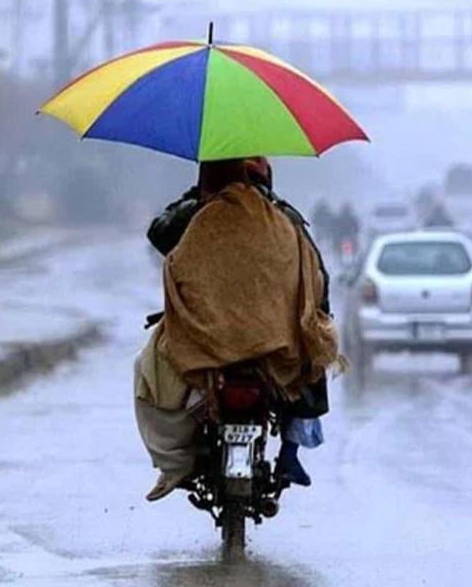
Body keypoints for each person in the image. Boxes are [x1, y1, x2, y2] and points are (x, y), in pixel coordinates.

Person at [137, 158, 337, 501]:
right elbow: (317, 277)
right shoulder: (283, 218)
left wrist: (195, 198)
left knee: (153, 373)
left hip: (207, 339)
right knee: (309, 353)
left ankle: (179, 462)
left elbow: (160, 233)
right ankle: (290, 453)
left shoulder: (197, 214)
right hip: (271, 342)